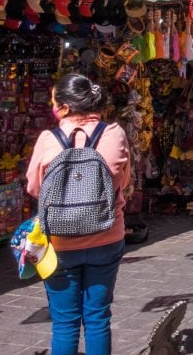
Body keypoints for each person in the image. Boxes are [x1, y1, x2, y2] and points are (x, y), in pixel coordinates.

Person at [25, 73, 131, 355]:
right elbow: (122, 182)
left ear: (65, 106)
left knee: (65, 322)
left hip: (60, 243)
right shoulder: (114, 133)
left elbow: (35, 188)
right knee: (98, 317)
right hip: (107, 236)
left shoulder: (48, 139)